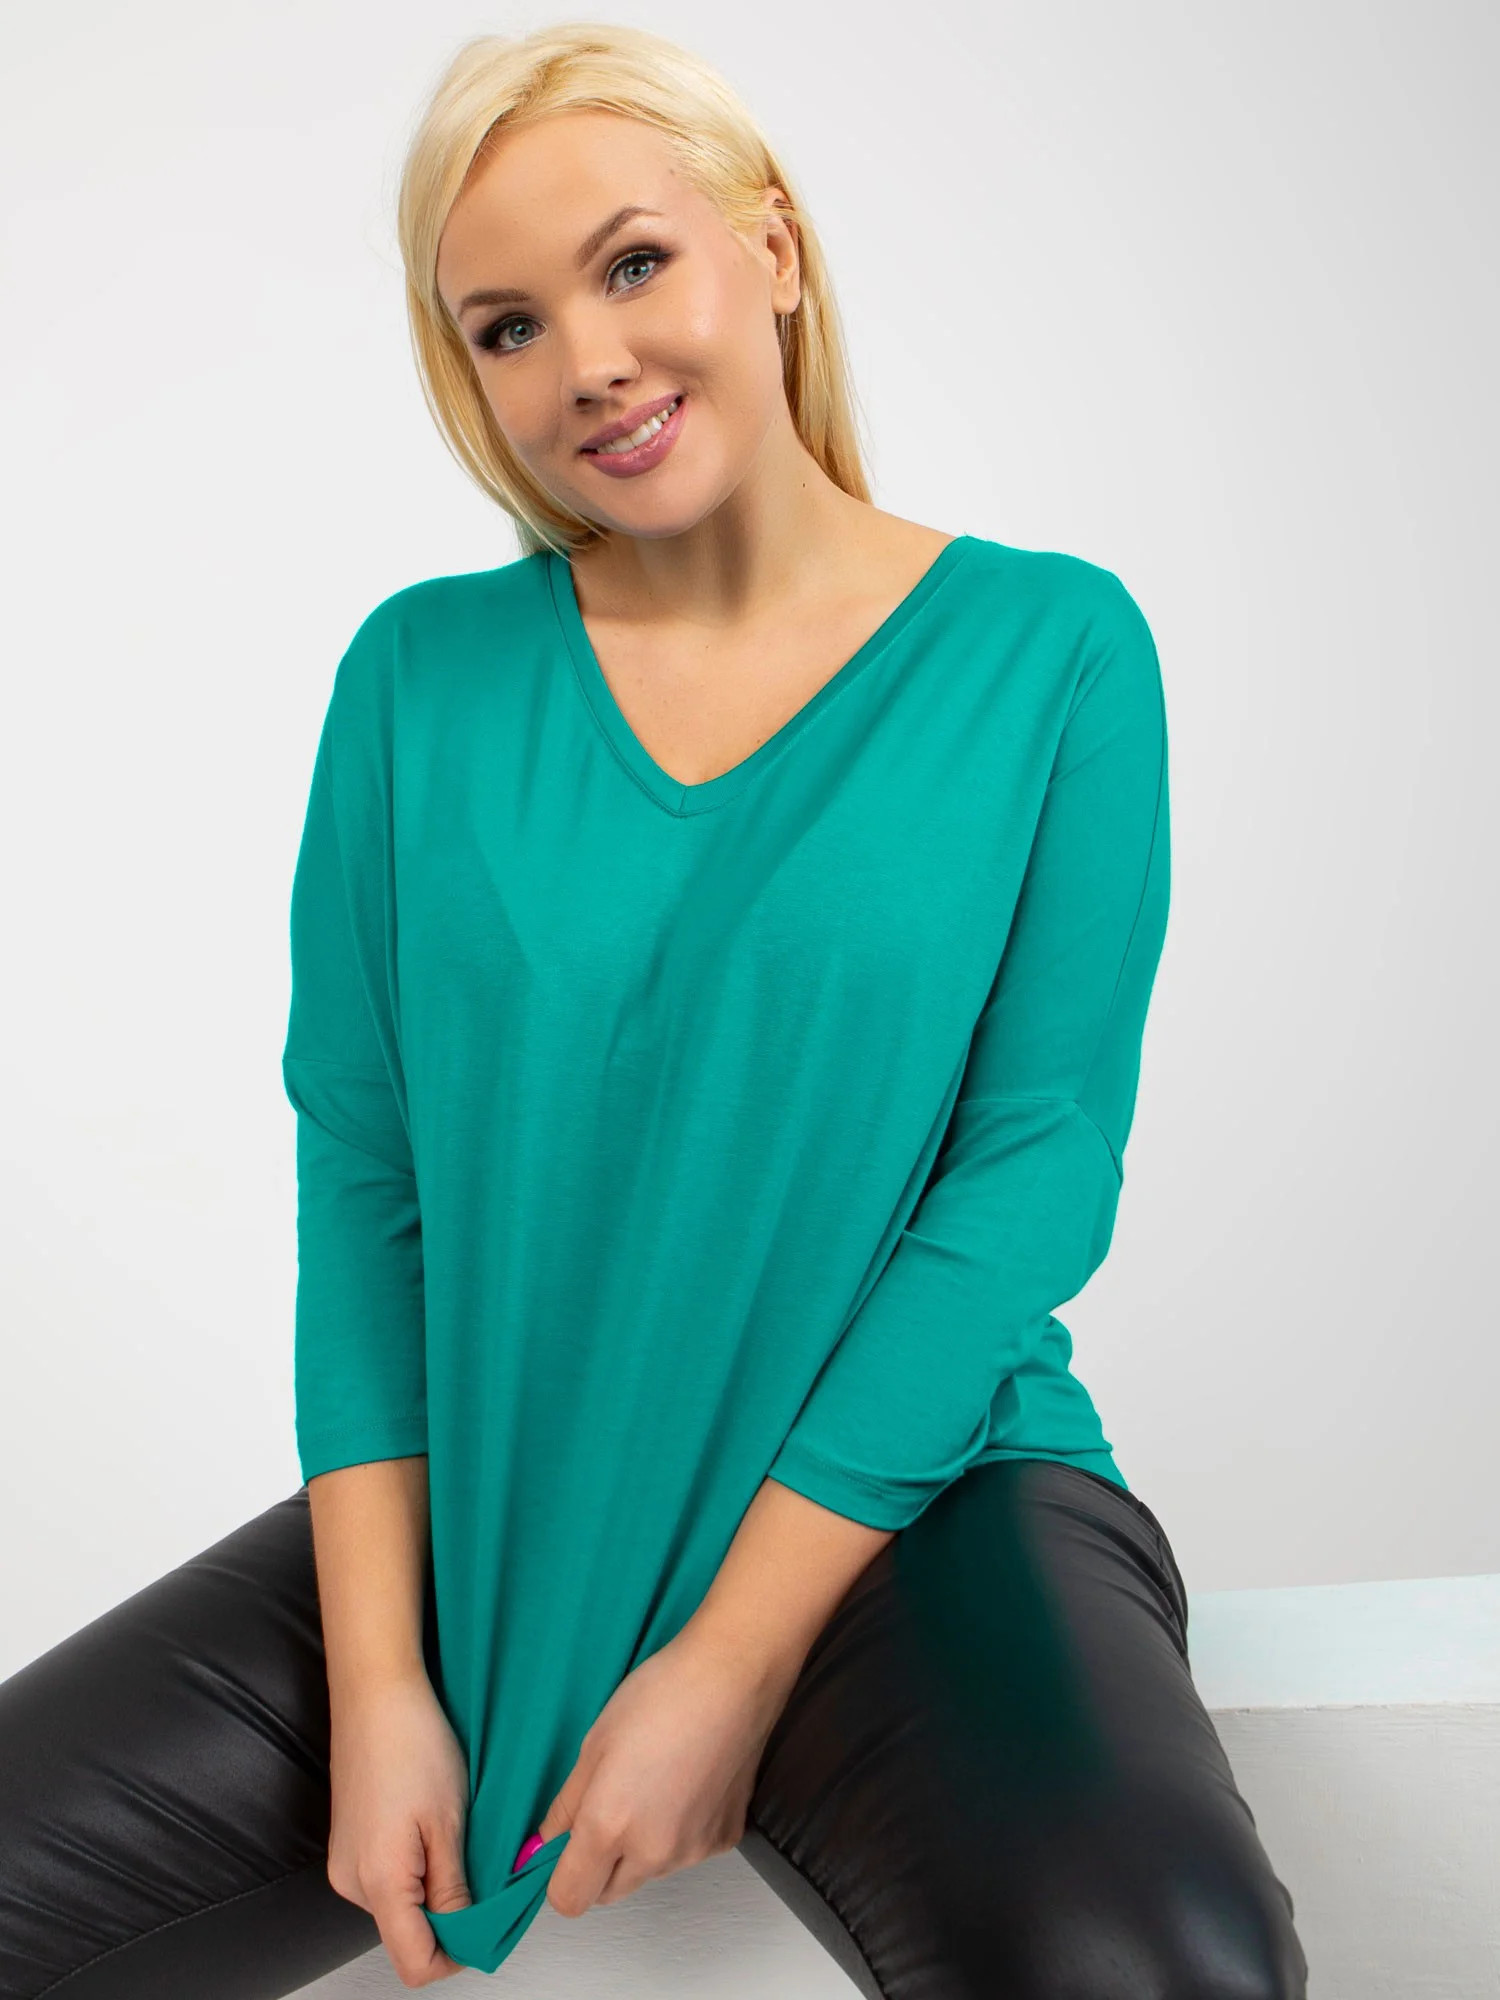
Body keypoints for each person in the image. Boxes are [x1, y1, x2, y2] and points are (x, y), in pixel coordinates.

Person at [0, 22, 1310, 1999]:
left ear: (769, 248)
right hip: (500, 1501)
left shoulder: (1048, 650)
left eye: (632, 264)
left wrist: (731, 1659)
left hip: (908, 1510)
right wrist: (382, 1684)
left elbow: (1034, 1171)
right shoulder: (419, 684)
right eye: (509, 327)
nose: (588, 360)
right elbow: (369, 1183)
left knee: (1157, 1966)